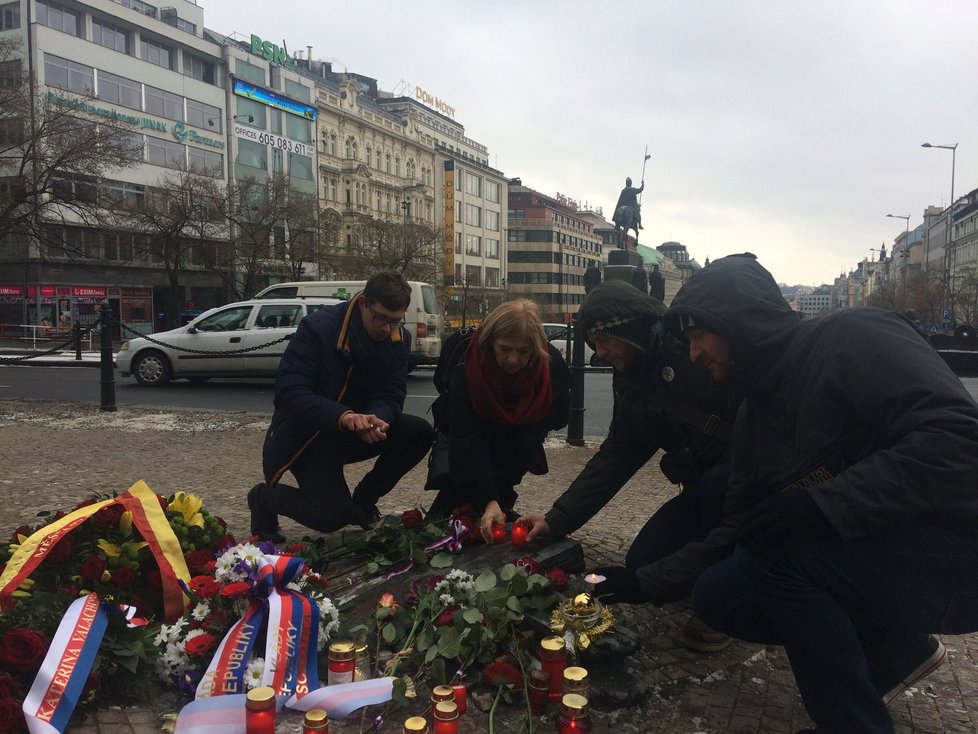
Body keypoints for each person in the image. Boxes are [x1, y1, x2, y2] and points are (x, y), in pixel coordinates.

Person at [666, 253, 978, 734]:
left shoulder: (854, 336)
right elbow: (739, 525)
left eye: (697, 337)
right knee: (720, 595)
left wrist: (825, 505)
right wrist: (643, 581)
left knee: (782, 561)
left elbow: (957, 439)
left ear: (734, 324)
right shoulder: (756, 409)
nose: (692, 355)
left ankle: (850, 722)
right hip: (882, 540)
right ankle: (895, 651)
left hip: (958, 545)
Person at [517, 279, 739, 651]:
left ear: (628, 331)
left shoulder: (693, 354)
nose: (599, 354)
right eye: (593, 346)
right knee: (642, 565)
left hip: (743, 488)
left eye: (603, 342)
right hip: (701, 490)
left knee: (721, 498)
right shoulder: (631, 373)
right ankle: (703, 570)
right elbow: (619, 453)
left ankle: (727, 600)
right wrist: (558, 519)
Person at [248, 271, 434, 542]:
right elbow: (289, 394)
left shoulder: (398, 339)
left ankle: (364, 501)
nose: (387, 328)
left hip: (354, 430)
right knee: (332, 518)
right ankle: (264, 497)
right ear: (363, 304)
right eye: (380, 318)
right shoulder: (317, 328)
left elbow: (391, 393)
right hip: (308, 438)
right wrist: (344, 416)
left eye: (396, 321)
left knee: (419, 432)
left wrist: (378, 418)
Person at [426, 299, 570, 543]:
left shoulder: (550, 364)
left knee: (519, 442)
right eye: (505, 349)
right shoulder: (468, 367)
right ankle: (454, 511)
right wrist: (486, 498)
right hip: (470, 430)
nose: (513, 360)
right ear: (491, 342)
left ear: (536, 348)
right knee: (461, 481)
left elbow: (559, 414)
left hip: (521, 435)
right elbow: (467, 439)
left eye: (523, 351)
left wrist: (525, 425)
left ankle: (499, 503)